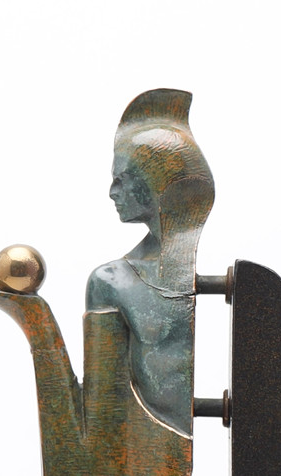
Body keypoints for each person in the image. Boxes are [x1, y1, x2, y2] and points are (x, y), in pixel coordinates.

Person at [85, 89, 214, 436]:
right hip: (135, 443)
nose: (112, 192)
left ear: (155, 183)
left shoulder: (118, 279)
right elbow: (101, 406)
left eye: (121, 179)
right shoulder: (110, 282)